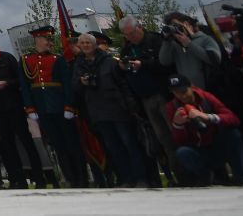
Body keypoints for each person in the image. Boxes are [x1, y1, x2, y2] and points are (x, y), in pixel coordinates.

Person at [72, 31, 148, 187]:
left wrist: (130, 105)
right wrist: (81, 82)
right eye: (82, 43)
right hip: (98, 111)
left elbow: (122, 83)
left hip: (117, 108)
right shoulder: (78, 64)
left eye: (88, 42)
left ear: (94, 45)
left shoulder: (109, 61)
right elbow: (74, 86)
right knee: (113, 147)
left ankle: (141, 177)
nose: (85, 45)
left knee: (130, 144)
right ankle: (126, 178)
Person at [116, 17, 178, 186]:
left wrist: (143, 64)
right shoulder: (127, 49)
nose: (131, 37)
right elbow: (125, 75)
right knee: (160, 138)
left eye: (133, 32)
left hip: (163, 94)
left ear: (140, 26)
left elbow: (166, 64)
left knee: (175, 134)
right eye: (127, 35)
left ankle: (186, 173)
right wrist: (122, 67)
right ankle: (172, 176)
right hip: (144, 99)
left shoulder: (156, 40)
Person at [21, 27, 84, 187]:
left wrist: (69, 106)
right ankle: (69, 178)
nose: (50, 42)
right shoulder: (26, 60)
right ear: (38, 40)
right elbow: (25, 86)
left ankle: (81, 178)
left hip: (60, 106)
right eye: (47, 39)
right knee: (58, 145)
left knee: (71, 144)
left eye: (50, 39)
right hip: (42, 108)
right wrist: (30, 108)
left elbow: (67, 85)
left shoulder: (58, 59)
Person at [0, 49, 45, 188]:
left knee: (27, 142)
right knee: (8, 146)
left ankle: (39, 178)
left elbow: (20, 80)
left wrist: (7, 83)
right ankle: (18, 180)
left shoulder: (7, 57)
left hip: (14, 106)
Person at [165, 76, 243, 186]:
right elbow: (180, 142)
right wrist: (178, 125)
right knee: (182, 152)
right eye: (176, 93)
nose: (182, 96)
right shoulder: (172, 107)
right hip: (198, 151)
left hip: (216, 146)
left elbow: (233, 119)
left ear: (192, 87)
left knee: (233, 133)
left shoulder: (206, 97)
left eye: (184, 91)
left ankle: (240, 177)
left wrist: (208, 117)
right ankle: (206, 176)